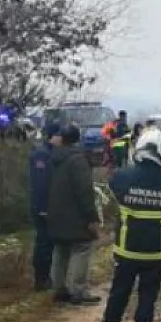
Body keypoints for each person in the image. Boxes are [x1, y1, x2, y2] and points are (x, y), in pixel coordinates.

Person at [97, 129, 161, 322]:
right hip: (157, 248)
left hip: (128, 247)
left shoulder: (121, 177)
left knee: (120, 290)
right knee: (149, 291)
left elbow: (113, 193)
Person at [47, 124, 102, 305]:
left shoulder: (53, 158)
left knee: (60, 249)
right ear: (78, 139)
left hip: (55, 212)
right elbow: (84, 191)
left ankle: (59, 289)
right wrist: (92, 216)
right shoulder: (78, 160)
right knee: (82, 247)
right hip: (75, 215)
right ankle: (78, 291)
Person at [28, 120, 58, 289]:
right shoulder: (41, 155)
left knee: (49, 242)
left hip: (48, 205)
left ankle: (48, 276)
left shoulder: (49, 152)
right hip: (42, 206)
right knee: (44, 242)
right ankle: (41, 279)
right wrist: (43, 208)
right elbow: (40, 183)